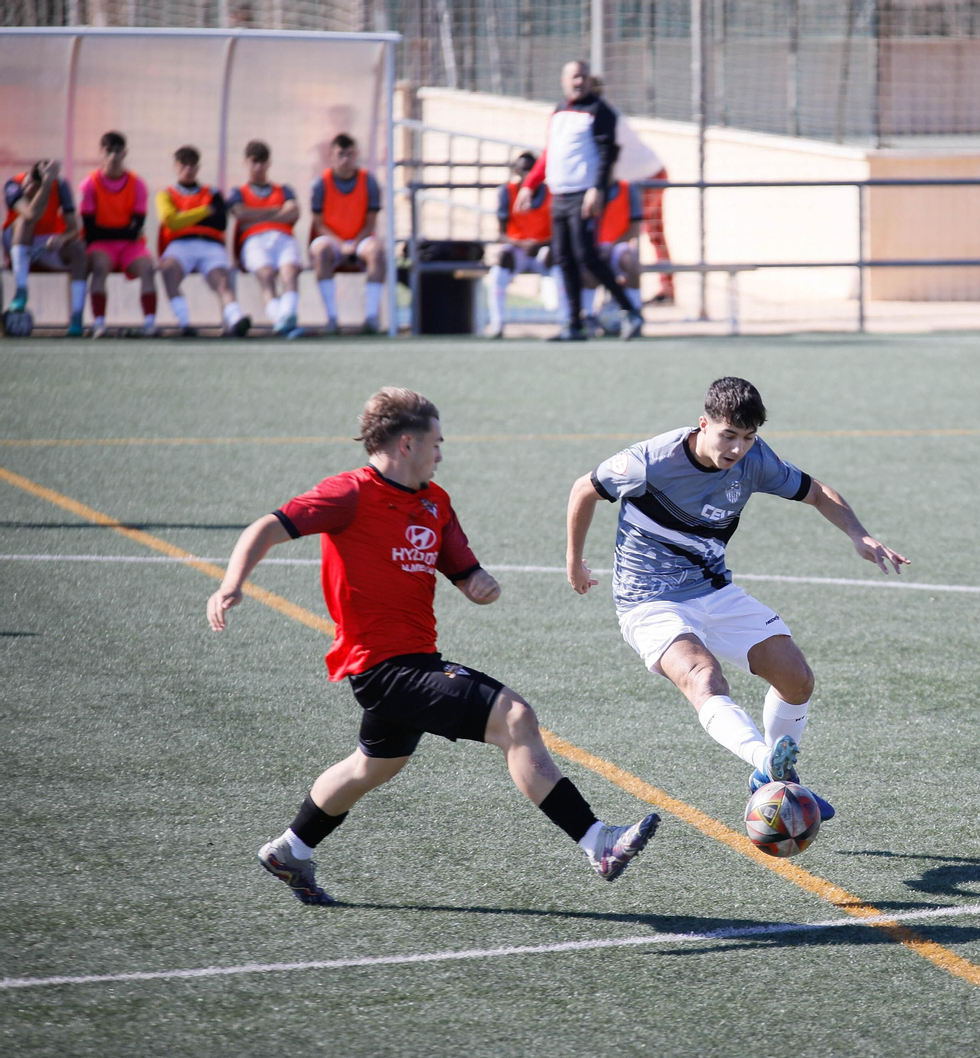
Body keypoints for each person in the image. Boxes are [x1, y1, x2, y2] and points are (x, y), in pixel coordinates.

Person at [207, 387, 660, 905]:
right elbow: (268, 526)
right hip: (381, 668)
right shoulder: (349, 494)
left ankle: (290, 849)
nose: (441, 454)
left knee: (372, 766)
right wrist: (232, 583)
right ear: (406, 444)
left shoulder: (434, 502)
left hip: (415, 660)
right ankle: (597, 841)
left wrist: (480, 585)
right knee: (515, 718)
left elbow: (464, 571)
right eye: (436, 443)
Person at [566, 377, 910, 820]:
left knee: (797, 678)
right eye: (728, 435)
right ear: (703, 424)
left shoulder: (755, 461)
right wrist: (575, 561)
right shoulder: (649, 462)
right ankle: (769, 765)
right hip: (648, 599)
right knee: (703, 676)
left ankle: (771, 779)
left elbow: (816, 491)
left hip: (714, 589)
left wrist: (858, 534)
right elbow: (583, 489)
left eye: (747, 438)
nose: (736, 449)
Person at [515, 60, 643, 342]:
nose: (578, 82)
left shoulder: (600, 111)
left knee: (586, 256)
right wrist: (529, 184)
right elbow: (550, 152)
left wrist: (597, 189)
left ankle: (630, 311)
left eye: (583, 77)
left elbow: (607, 155)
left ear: (590, 80)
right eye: (574, 77)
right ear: (563, 80)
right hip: (558, 195)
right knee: (563, 258)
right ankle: (573, 323)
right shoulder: (560, 111)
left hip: (583, 195)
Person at [592, 73, 673, 305]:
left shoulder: (603, 115)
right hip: (644, 175)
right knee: (651, 234)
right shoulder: (598, 113)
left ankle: (627, 291)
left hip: (647, 176)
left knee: (631, 232)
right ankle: (664, 289)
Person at [156, 145, 249, 338]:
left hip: (210, 244)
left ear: (198, 167)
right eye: (184, 165)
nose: (188, 170)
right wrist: (206, 211)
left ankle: (236, 319)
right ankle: (184, 322)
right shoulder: (166, 194)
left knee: (222, 281)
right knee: (168, 270)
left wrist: (184, 217)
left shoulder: (212, 192)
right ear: (176, 166)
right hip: (180, 244)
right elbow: (171, 221)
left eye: (192, 165)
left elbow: (221, 222)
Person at [79, 131, 158, 338]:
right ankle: (99, 324)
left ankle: (150, 324)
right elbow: (90, 230)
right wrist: (124, 231)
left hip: (129, 246)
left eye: (118, 151)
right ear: (101, 153)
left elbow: (136, 229)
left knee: (147, 269)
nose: (113, 156)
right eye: (109, 151)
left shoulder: (137, 183)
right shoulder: (90, 183)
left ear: (125, 154)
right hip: (102, 246)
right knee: (99, 267)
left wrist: (121, 232)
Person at [309, 132, 384, 335]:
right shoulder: (320, 184)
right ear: (331, 155)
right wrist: (341, 244)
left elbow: (370, 223)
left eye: (350, 154)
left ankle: (371, 319)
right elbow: (319, 223)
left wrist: (354, 242)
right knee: (320, 251)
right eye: (341, 154)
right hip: (333, 239)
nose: (345, 159)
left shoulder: (368, 181)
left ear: (356, 154)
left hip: (360, 239)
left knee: (377, 252)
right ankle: (332, 319)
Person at [4, 159, 88, 336]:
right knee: (25, 223)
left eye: (35, 188)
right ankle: (21, 291)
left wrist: (61, 239)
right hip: (16, 242)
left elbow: (74, 228)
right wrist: (46, 185)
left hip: (45, 244)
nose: (29, 190)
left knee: (78, 250)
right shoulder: (13, 185)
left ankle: (77, 317)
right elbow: (31, 215)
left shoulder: (60, 185)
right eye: (30, 186)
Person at [229, 140, 304, 336]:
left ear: (269, 163)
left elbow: (294, 211)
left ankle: (287, 315)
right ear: (246, 163)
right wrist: (275, 211)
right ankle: (280, 319)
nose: (259, 167)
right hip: (253, 241)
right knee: (266, 274)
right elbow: (240, 214)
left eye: (263, 162)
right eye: (255, 161)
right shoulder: (238, 192)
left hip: (283, 238)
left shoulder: (284, 189)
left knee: (289, 272)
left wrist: (255, 216)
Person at [484, 151, 550, 339]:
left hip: (544, 250)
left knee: (563, 260)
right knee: (501, 260)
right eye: (523, 170)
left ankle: (567, 322)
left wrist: (539, 244)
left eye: (532, 170)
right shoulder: (507, 192)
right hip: (518, 250)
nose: (527, 174)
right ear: (515, 171)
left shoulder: (552, 193)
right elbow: (502, 233)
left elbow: (560, 233)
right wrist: (521, 244)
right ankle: (498, 322)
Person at [578, 180, 643, 337]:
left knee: (631, 260)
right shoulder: (582, 190)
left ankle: (634, 314)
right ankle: (589, 316)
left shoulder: (628, 189)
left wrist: (611, 245)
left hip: (617, 245)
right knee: (588, 266)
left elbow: (635, 229)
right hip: (592, 247)